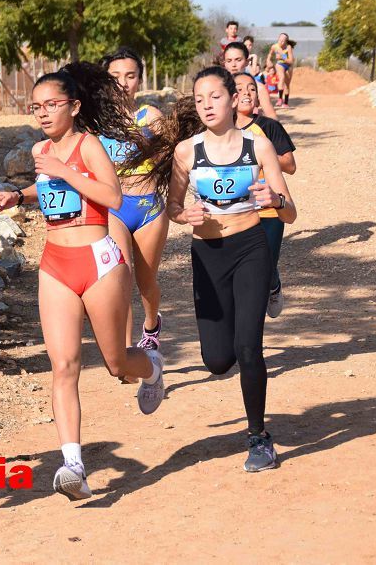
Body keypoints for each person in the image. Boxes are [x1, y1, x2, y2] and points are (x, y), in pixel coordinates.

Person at [0, 62, 165, 501]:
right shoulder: (38, 152)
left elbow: (112, 196)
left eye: (52, 105)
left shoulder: (88, 146)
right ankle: (73, 465)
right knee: (64, 366)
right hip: (55, 263)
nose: (44, 114)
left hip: (99, 260)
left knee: (115, 363)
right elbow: (51, 190)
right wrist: (21, 195)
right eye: (37, 108)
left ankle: (152, 369)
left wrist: (66, 170)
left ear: (74, 106)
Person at [131, 66, 297, 472]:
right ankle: (236, 367)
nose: (207, 105)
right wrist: (183, 213)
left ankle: (259, 438)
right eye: (200, 98)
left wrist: (272, 197)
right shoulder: (187, 151)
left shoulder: (257, 147)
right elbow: (171, 207)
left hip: (251, 248)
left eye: (215, 97)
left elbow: (290, 212)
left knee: (248, 347)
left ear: (232, 99)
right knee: (218, 360)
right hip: (208, 254)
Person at [99, 47, 168, 352]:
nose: (122, 83)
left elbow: (172, 160)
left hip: (148, 208)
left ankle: (152, 323)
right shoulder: (95, 122)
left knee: (146, 282)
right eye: (115, 76)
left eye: (130, 76)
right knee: (121, 277)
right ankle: (125, 351)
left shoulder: (150, 117)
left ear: (139, 80)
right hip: (114, 208)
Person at [233, 72, 297, 318]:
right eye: (240, 89)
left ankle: (273, 284)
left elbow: (290, 165)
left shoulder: (269, 127)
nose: (247, 93)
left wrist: (261, 153)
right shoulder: (221, 130)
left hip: (268, 207)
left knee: (265, 264)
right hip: (236, 209)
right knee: (244, 269)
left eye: (252, 89)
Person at [224, 42, 278, 119]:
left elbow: (272, 118)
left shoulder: (258, 88)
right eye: (229, 61)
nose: (233, 65)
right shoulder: (219, 87)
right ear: (224, 63)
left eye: (238, 60)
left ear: (247, 62)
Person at [267, 33, 295, 107]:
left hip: (289, 66)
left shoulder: (288, 47)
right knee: (281, 77)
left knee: (287, 84)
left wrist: (282, 57)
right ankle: (280, 99)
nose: (281, 42)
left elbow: (291, 61)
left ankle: (285, 103)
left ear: (286, 41)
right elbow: (270, 54)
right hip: (280, 64)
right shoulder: (274, 46)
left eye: (283, 41)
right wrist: (268, 60)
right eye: (280, 40)